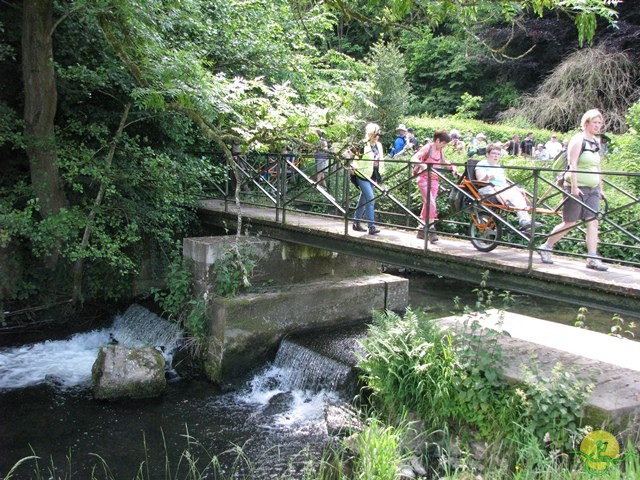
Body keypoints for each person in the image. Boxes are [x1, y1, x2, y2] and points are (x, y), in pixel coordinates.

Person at [537, 109, 608, 271]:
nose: (597, 126)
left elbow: (597, 166)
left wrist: (600, 188)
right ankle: (546, 247)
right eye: (594, 122)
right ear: (586, 123)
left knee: (593, 222)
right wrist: (574, 187)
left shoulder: (596, 141)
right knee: (570, 222)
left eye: (599, 123)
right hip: (575, 186)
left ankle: (592, 257)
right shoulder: (578, 140)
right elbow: (573, 163)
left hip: (592, 188)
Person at [475, 144, 541, 230]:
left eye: (498, 154)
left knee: (517, 193)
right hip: (488, 188)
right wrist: (488, 176)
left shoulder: (498, 167)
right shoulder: (482, 164)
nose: (496, 156)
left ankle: (526, 220)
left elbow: (504, 182)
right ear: (487, 154)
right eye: (493, 153)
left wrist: (515, 188)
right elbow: (480, 181)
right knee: (507, 193)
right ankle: (523, 220)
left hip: (501, 187)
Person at [410, 130, 460, 241]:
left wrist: (452, 167)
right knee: (431, 203)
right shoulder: (428, 148)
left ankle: (421, 229)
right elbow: (413, 158)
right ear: (437, 140)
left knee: (428, 204)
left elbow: (443, 161)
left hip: (434, 180)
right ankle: (432, 230)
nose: (444, 146)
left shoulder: (440, 150)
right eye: (443, 144)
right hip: (424, 179)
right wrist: (422, 165)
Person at [351, 123, 384, 235]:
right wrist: (351, 167)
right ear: (369, 134)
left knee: (364, 199)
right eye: (375, 134)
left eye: (378, 134)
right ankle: (372, 226)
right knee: (370, 198)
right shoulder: (362, 144)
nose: (377, 137)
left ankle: (356, 222)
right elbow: (348, 154)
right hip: (362, 174)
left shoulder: (378, 145)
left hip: (373, 175)